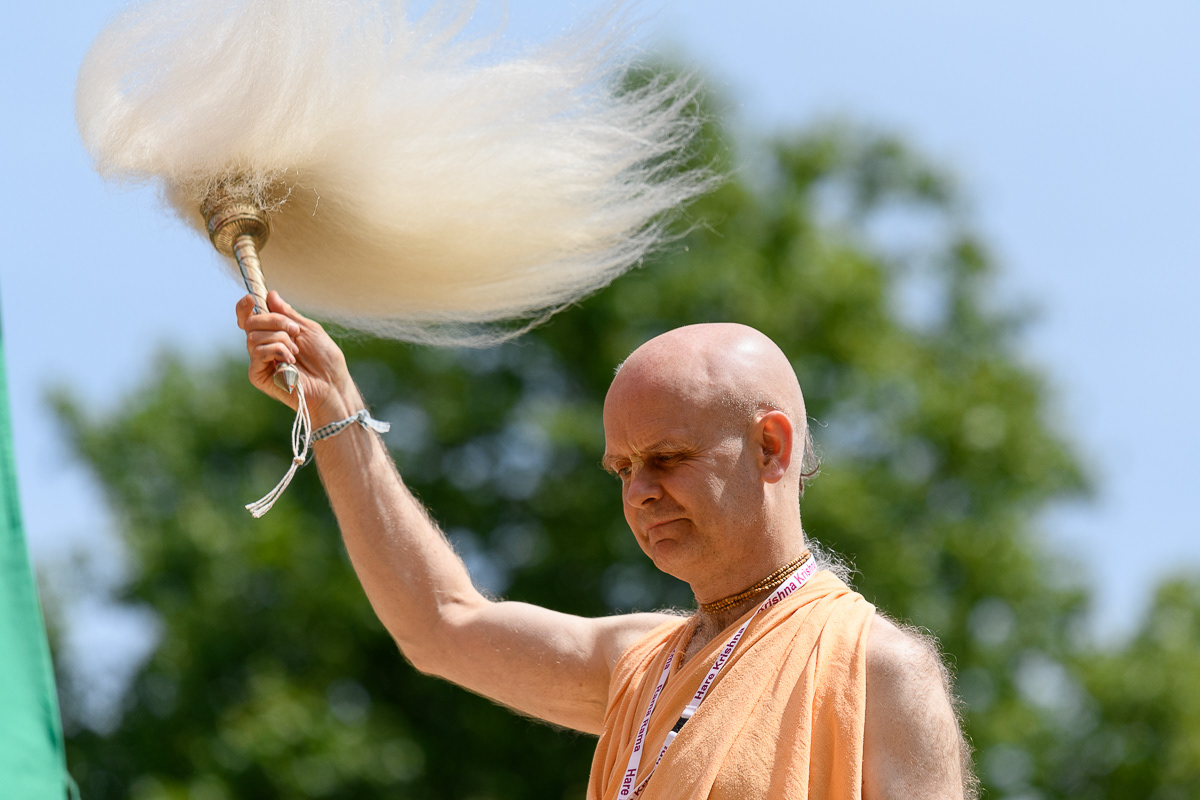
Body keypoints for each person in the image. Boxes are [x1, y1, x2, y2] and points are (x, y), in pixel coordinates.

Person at [238, 291, 976, 799]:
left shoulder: (880, 671)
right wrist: (332, 403)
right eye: (622, 469)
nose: (639, 492)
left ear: (770, 447)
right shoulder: (640, 665)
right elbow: (440, 622)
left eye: (667, 458)